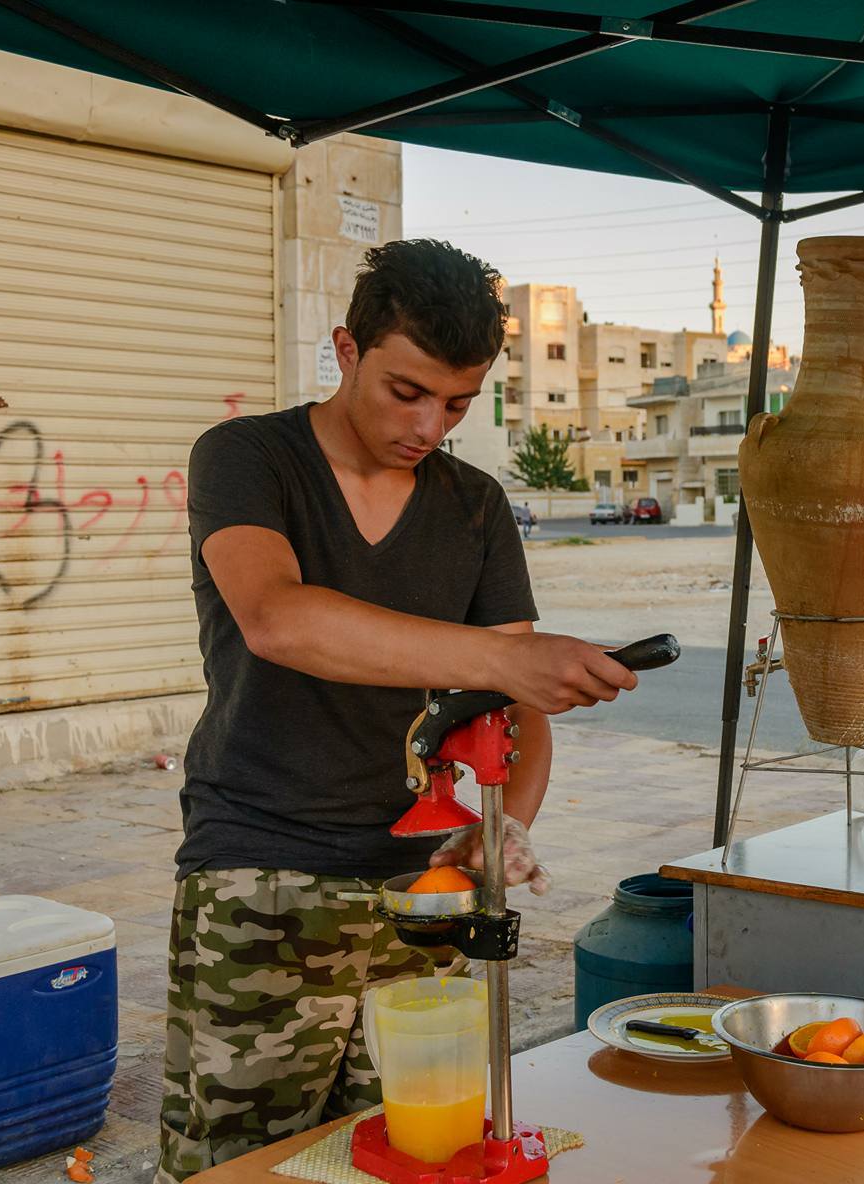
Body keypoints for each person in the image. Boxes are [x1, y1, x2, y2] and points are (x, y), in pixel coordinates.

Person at [156, 240, 637, 1181]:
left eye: (457, 403)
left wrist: (511, 827)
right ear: (347, 349)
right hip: (262, 873)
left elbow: (516, 702)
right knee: (242, 1163)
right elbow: (276, 619)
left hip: (424, 890)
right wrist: (504, 654)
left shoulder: (475, 506)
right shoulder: (249, 458)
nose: (429, 424)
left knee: (408, 1153)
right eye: (405, 391)